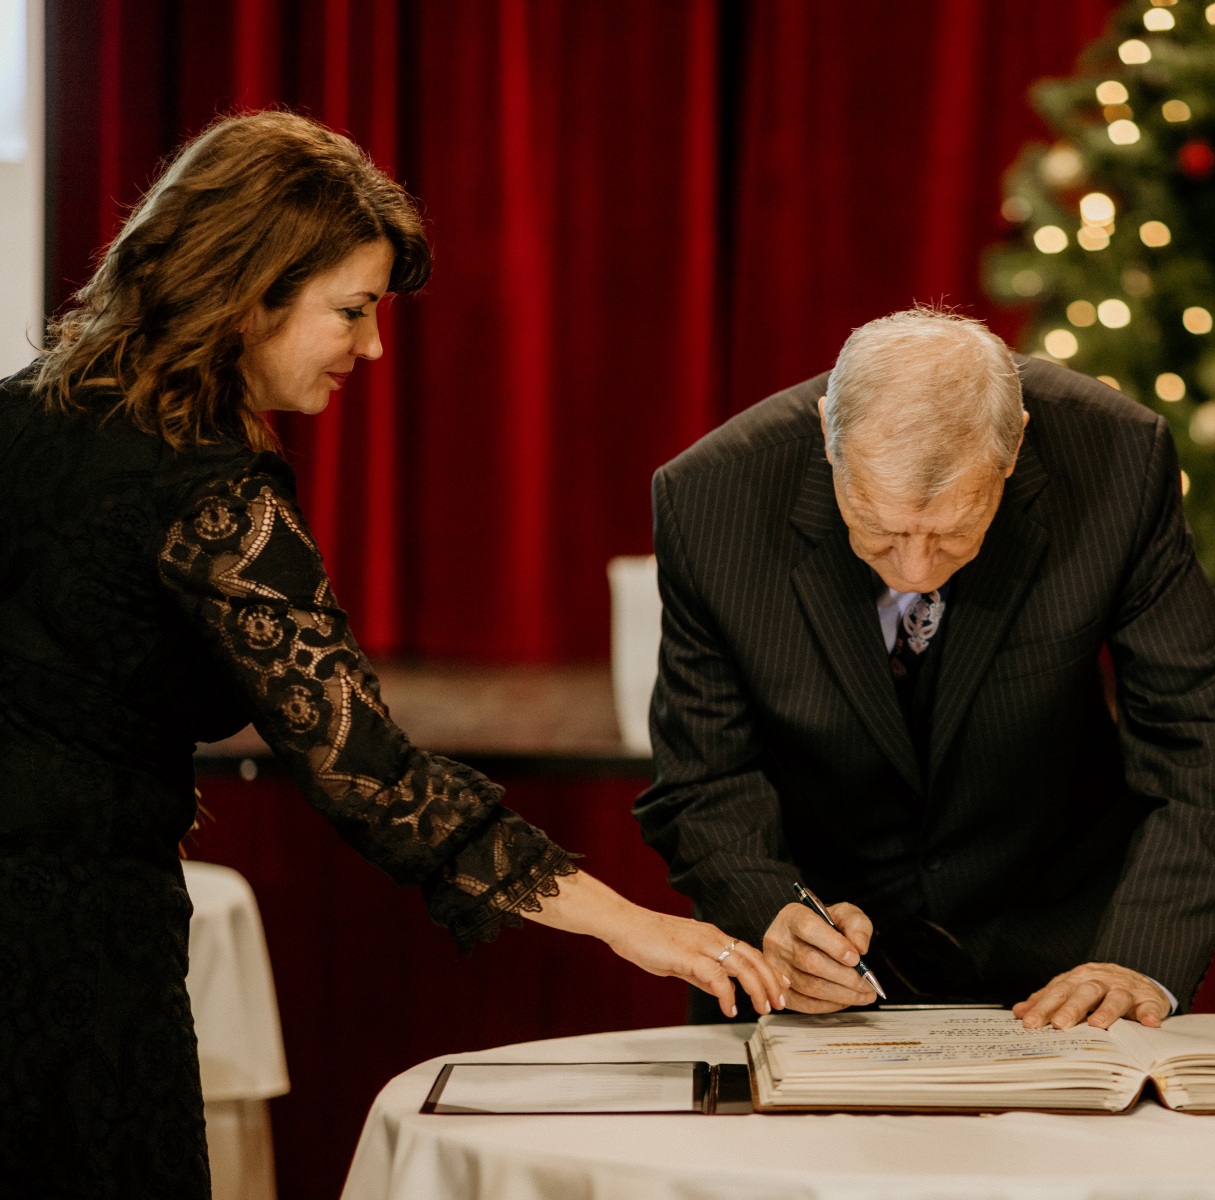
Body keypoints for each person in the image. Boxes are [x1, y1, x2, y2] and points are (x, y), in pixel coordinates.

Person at [0, 111, 781, 1198]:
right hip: (68, 950)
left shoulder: (22, 413)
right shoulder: (210, 489)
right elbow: (372, 775)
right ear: (250, 292)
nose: (370, 348)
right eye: (353, 309)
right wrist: (638, 929)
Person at [634, 307, 1215, 1032]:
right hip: (807, 966)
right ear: (828, 438)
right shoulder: (710, 496)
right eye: (879, 529)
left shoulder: (1117, 456)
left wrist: (1139, 957)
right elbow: (702, 775)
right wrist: (769, 912)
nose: (914, 570)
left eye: (954, 532)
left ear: (1014, 445)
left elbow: (1203, 733)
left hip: (1062, 961)